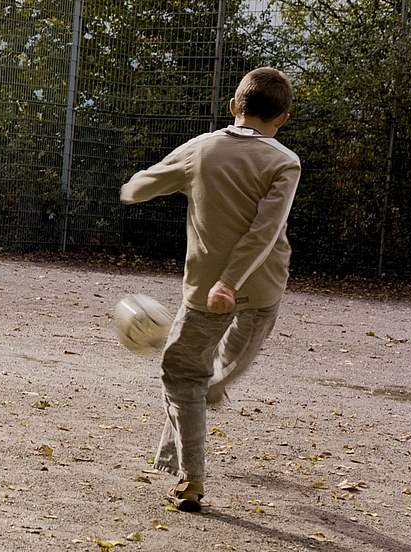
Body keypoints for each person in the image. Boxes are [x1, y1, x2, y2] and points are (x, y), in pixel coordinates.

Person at [119, 67, 300, 513]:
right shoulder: (285, 161)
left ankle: (190, 477)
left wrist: (134, 187)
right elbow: (266, 230)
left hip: (208, 288)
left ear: (234, 106)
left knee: (184, 375)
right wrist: (235, 282)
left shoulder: (201, 149)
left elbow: (141, 187)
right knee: (202, 377)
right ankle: (192, 440)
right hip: (263, 290)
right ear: (283, 118)